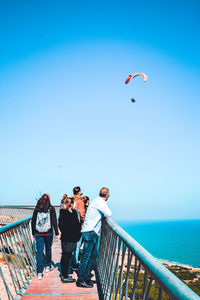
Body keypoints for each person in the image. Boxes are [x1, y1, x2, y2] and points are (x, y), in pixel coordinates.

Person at [76, 187, 112, 288]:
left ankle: (86, 277)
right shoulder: (100, 202)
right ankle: (81, 280)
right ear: (107, 195)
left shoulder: (96, 200)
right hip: (90, 232)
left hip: (91, 231)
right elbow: (109, 213)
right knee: (86, 257)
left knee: (93, 256)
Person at [31, 193, 59, 280]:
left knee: (39, 252)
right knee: (48, 249)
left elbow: (33, 221)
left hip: (38, 233)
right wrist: (57, 233)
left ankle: (39, 272)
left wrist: (33, 233)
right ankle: (47, 266)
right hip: (48, 233)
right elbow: (54, 221)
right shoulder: (51, 208)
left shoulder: (37, 208)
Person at [58, 197, 81, 283]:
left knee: (65, 255)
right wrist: (78, 235)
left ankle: (64, 274)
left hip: (65, 237)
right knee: (67, 256)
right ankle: (65, 276)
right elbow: (76, 225)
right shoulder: (74, 212)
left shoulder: (62, 212)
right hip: (71, 238)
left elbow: (60, 224)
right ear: (71, 204)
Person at [71, 186, 86, 270]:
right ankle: (75, 263)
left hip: (70, 224)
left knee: (71, 243)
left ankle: (71, 261)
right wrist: (83, 222)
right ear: (79, 192)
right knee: (77, 245)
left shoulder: (70, 200)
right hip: (77, 225)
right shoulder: (80, 201)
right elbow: (82, 213)